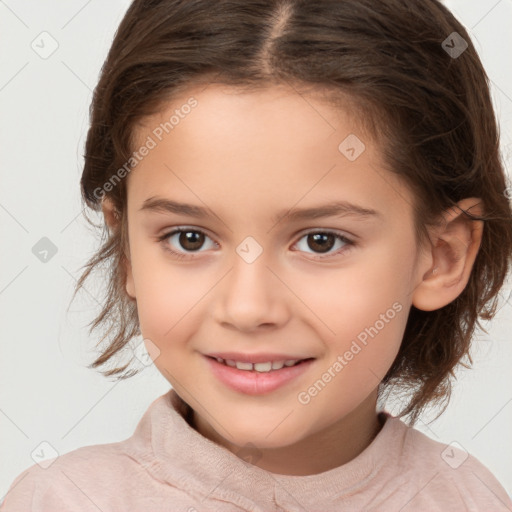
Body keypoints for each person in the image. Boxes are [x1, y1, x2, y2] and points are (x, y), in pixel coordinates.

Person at [2, 0, 511, 510]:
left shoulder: (468, 498)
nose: (247, 308)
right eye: (190, 238)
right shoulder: (62, 500)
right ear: (130, 251)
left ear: (442, 256)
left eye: (320, 241)